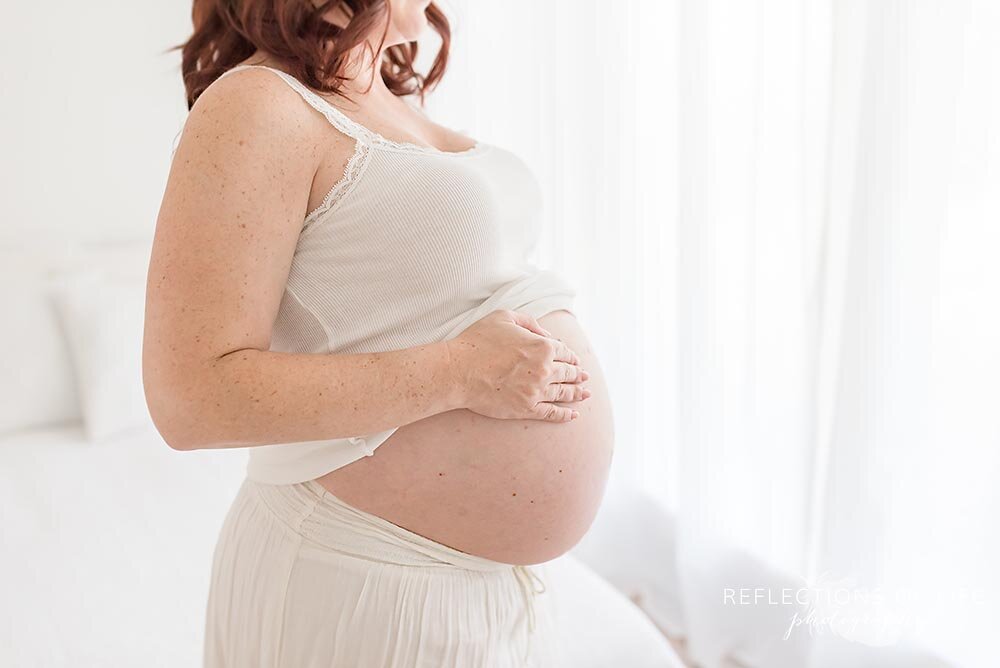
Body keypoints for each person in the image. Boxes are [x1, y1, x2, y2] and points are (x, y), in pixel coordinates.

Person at [143, 1, 615, 665]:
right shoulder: (257, 104)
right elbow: (189, 397)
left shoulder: (389, 96)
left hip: (476, 593)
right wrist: (464, 372)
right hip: (353, 578)